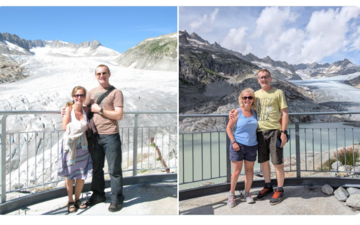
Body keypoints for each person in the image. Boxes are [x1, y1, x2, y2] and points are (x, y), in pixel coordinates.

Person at [230, 68, 288, 205]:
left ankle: (279, 189)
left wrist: (284, 132)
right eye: (261, 77)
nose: (264, 79)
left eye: (266, 77)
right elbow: (246, 107)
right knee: (263, 162)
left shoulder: (278, 92)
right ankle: (268, 186)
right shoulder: (255, 95)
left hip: (274, 131)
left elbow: (284, 113)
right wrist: (233, 112)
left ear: (270, 78)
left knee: (277, 162)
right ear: (258, 80)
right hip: (260, 133)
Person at [83, 64, 125, 212]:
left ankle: (116, 198)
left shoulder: (116, 93)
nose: (101, 76)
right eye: (99, 73)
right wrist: (67, 109)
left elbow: (119, 115)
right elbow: (84, 108)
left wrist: (100, 110)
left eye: (104, 73)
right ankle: (98, 194)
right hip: (95, 136)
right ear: (96, 75)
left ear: (109, 74)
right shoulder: (92, 92)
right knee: (97, 168)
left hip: (111, 135)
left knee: (114, 169)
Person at [58, 86, 93, 213]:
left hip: (82, 145)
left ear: (85, 97)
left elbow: (92, 123)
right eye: (76, 95)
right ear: (73, 96)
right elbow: (65, 127)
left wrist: (85, 126)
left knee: (81, 173)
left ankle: (78, 199)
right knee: (69, 174)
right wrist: (84, 126)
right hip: (70, 145)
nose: (79, 98)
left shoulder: (86, 109)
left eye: (82, 95)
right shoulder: (68, 109)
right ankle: (70, 200)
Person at [226, 88, 258, 207]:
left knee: (249, 171)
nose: (247, 100)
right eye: (245, 98)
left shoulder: (255, 112)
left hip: (252, 146)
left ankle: (247, 193)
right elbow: (228, 128)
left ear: (253, 99)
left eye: (249, 97)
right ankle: (231, 194)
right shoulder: (236, 112)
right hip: (238, 145)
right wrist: (234, 142)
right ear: (241, 99)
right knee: (236, 171)